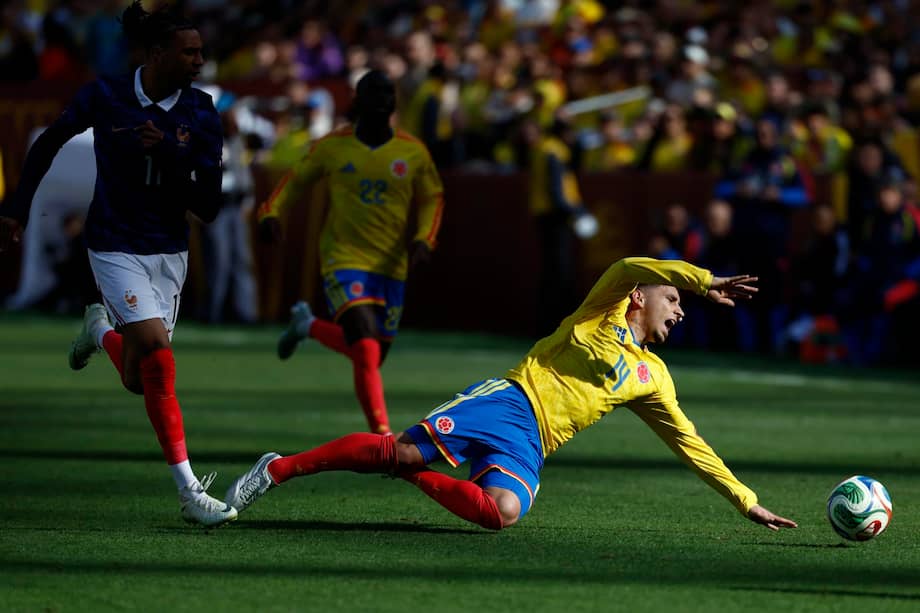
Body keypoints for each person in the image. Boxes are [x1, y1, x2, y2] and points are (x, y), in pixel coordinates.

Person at [225, 257, 798, 533]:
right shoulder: (601, 312)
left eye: (682, 302)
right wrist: (702, 278)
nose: (679, 310)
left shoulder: (655, 377)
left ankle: (409, 472)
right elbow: (628, 264)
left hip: (534, 442)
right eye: (672, 298)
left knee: (502, 514)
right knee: (399, 450)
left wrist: (744, 499)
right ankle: (278, 470)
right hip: (509, 400)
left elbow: (688, 442)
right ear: (639, 299)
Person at [0, 1, 236, 527]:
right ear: (156, 54)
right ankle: (190, 492)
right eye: (189, 52)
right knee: (157, 353)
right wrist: (17, 207)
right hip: (112, 244)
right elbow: (50, 142)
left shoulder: (200, 111)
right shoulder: (105, 95)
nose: (200, 60)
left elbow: (210, 206)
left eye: (201, 51)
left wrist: (172, 156)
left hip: (168, 251)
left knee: (139, 377)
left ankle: (99, 330)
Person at [257, 69, 445, 436]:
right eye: (372, 95)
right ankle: (383, 437)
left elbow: (431, 199)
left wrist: (425, 238)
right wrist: (271, 212)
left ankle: (307, 325)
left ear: (393, 104)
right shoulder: (332, 146)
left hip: (391, 265)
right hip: (343, 258)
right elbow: (294, 181)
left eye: (386, 95)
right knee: (366, 341)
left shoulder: (413, 151)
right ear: (356, 102)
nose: (380, 102)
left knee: (372, 352)